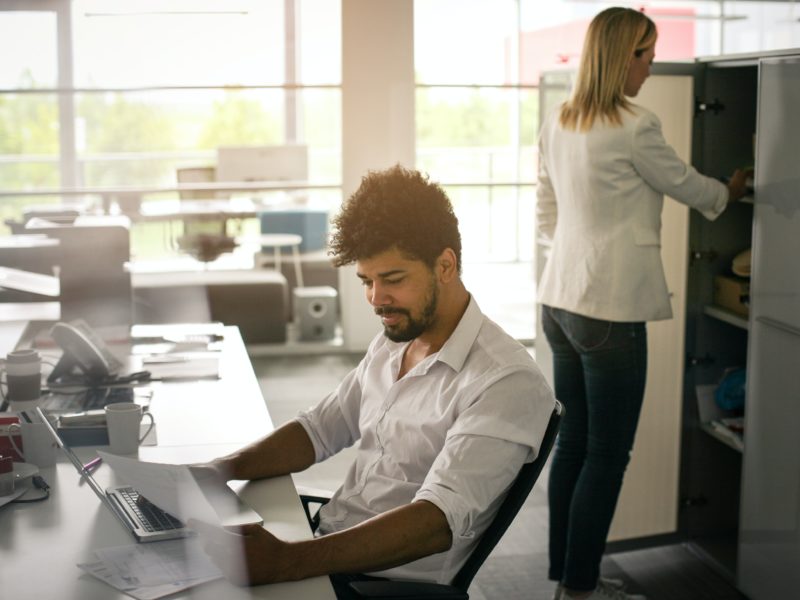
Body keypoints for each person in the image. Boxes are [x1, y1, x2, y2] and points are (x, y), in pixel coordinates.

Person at [191, 165, 555, 598]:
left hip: (376, 583)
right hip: (326, 545)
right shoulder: (395, 340)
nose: (377, 300)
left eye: (393, 280)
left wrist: (287, 561)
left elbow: (436, 521)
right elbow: (318, 429)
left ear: (445, 265)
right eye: (367, 281)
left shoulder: (505, 381)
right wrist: (219, 471)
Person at [536, 8, 750, 600]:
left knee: (575, 444)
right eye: (646, 56)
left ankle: (567, 579)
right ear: (621, 56)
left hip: (560, 300)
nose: (651, 68)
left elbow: (545, 211)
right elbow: (686, 184)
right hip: (609, 310)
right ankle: (580, 589)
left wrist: (577, 259)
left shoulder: (560, 120)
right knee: (606, 453)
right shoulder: (635, 125)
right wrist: (729, 192)